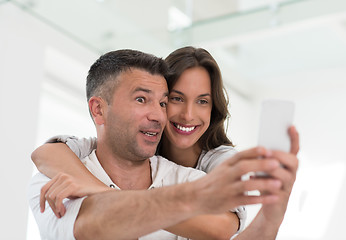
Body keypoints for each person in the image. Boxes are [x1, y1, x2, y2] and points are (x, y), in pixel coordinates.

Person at [29, 48, 299, 239]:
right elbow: (93, 227)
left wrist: (269, 218)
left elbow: (220, 230)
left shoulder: (196, 177)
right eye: (141, 99)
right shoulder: (54, 179)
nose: (159, 114)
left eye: (161, 102)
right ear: (99, 110)